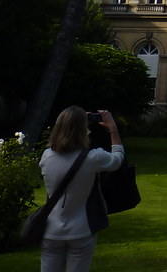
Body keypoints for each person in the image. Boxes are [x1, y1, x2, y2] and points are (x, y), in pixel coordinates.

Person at [39, 107, 125, 272]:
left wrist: (74, 119)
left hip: (51, 228)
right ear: (83, 130)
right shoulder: (93, 158)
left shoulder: (47, 156)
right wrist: (113, 129)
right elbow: (118, 159)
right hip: (81, 227)